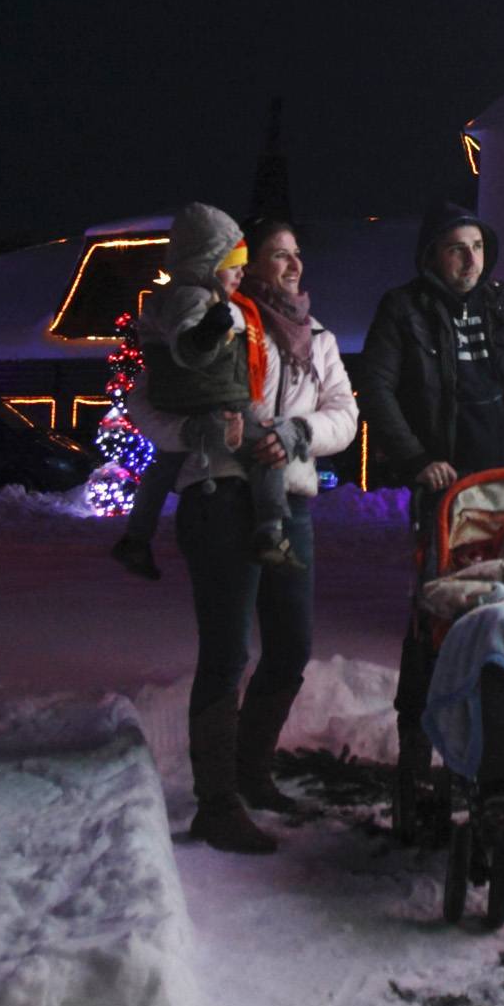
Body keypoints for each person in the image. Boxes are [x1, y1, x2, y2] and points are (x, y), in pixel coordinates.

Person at [357, 201, 504, 813]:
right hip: (445, 486)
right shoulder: (404, 310)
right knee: (438, 615)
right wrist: (417, 458)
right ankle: (417, 752)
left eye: (476, 247)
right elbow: (375, 386)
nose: (469, 259)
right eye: (456, 248)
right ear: (431, 255)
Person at [155, 206, 358, 855]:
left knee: (291, 643)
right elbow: (147, 401)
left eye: (298, 253)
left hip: (289, 500)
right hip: (219, 495)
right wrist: (197, 433)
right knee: (226, 650)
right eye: (278, 253)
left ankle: (250, 770)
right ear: (248, 263)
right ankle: (216, 803)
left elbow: (344, 416)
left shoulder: (316, 335)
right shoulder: (219, 317)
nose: (293, 264)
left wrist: (296, 435)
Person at [131, 222, 298, 569]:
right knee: (269, 447)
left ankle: (136, 538)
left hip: (193, 401)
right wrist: (208, 334)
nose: (240, 274)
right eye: (233, 267)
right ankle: (270, 530)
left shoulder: (194, 299)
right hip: (211, 403)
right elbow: (189, 344)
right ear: (209, 267)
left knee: (164, 464)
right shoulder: (199, 300)